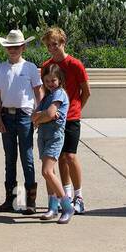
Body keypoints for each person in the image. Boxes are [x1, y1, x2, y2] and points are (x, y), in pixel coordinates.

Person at [40, 27, 91, 213]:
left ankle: (79, 196)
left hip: (71, 118)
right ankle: (66, 193)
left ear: (63, 42)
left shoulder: (75, 64)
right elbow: (45, 93)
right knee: (58, 157)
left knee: (70, 155)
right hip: (53, 119)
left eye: (55, 44)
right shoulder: (47, 66)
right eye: (49, 46)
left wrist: (76, 110)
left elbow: (86, 91)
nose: (52, 48)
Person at [0, 29, 43, 214]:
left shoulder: (29, 67)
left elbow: (38, 91)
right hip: (7, 115)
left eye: (16, 47)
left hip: (24, 116)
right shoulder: (1, 68)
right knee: (10, 158)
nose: (13, 50)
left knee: (27, 157)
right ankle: (13, 200)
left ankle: (30, 201)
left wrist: (38, 114)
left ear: (23, 47)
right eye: (10, 47)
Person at [33, 62, 73, 223]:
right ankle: (52, 206)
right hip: (43, 136)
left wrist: (43, 116)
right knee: (50, 173)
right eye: (47, 81)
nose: (50, 84)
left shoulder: (59, 94)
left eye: (53, 80)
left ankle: (67, 206)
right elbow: (34, 116)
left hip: (54, 136)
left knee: (47, 172)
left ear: (60, 80)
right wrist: (44, 115)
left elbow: (49, 114)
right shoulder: (47, 96)